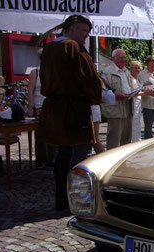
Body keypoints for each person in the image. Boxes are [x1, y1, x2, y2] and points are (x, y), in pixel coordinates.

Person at [37, 14, 102, 210]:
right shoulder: (72, 47)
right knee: (81, 155)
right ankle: (79, 200)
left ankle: (61, 199)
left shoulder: (49, 48)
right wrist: (98, 95)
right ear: (71, 29)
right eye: (83, 31)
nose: (85, 35)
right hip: (75, 110)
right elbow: (88, 78)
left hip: (58, 110)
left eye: (87, 32)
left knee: (63, 154)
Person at [27, 48, 56, 169]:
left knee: (53, 133)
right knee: (41, 134)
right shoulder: (36, 72)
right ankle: (41, 160)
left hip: (53, 106)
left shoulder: (54, 71)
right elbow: (30, 90)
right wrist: (30, 107)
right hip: (39, 106)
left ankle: (52, 158)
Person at [100, 49, 132, 149]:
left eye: (124, 57)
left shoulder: (126, 71)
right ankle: (111, 162)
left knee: (126, 139)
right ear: (113, 59)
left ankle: (124, 162)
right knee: (114, 140)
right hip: (115, 109)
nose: (123, 60)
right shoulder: (106, 72)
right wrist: (118, 96)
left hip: (127, 108)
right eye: (120, 58)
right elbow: (103, 95)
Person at [129, 60, 143, 142]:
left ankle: (137, 140)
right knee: (134, 125)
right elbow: (134, 92)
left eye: (138, 68)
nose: (137, 70)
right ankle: (135, 141)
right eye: (135, 68)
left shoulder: (136, 79)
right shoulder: (131, 79)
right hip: (134, 105)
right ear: (131, 69)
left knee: (137, 124)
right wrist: (146, 93)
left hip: (138, 105)